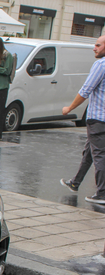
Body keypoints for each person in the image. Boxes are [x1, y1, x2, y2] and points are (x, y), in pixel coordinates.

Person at [60, 35, 105, 205]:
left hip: (98, 119)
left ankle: (101, 194)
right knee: (89, 152)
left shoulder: (100, 65)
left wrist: (70, 108)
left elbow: (86, 90)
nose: (94, 48)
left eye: (98, 45)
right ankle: (75, 182)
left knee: (99, 155)